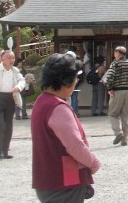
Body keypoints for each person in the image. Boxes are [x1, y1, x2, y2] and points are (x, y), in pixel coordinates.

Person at [32, 53, 100, 203]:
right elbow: (75, 145)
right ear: (66, 80)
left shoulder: (41, 101)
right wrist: (93, 163)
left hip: (46, 177)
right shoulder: (58, 107)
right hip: (64, 179)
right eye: (75, 78)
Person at [102, 46, 128, 146]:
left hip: (117, 91)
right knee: (125, 116)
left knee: (113, 114)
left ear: (118, 53)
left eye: (115, 52)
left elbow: (109, 77)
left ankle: (118, 133)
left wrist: (109, 89)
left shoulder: (115, 64)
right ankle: (125, 139)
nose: (114, 54)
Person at [65, 50, 80, 117]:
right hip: (73, 83)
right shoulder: (76, 63)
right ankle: (74, 113)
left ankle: (69, 113)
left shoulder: (63, 63)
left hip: (65, 83)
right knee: (74, 98)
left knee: (68, 99)